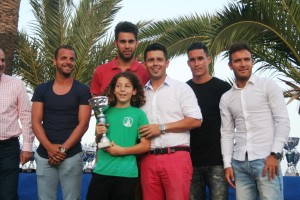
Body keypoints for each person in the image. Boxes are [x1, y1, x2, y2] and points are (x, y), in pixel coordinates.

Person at [220, 42, 290, 200]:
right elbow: (227, 132)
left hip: (266, 160)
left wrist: (275, 154)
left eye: (246, 59)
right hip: (239, 163)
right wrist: (227, 164)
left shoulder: (268, 86)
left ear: (253, 61)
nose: (243, 64)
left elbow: (283, 121)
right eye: (237, 61)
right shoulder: (227, 97)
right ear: (230, 65)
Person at [139, 43, 203, 200]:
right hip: (147, 158)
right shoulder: (139, 94)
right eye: (151, 60)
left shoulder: (181, 88)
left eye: (159, 59)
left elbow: (195, 120)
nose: (155, 63)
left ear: (167, 63)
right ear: (145, 63)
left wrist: (161, 128)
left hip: (175, 157)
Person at [31, 45, 91, 200]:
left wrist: (62, 150)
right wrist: (50, 148)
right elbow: (36, 122)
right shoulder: (41, 89)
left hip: (71, 156)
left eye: (72, 59)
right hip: (45, 156)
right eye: (63, 58)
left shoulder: (83, 90)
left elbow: (83, 124)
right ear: (55, 61)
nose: (68, 62)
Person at [87, 72, 150, 200]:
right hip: (102, 171)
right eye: (118, 86)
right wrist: (99, 135)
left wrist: (121, 151)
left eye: (127, 86)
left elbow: (145, 145)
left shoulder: (139, 115)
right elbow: (99, 141)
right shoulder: (103, 112)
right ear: (113, 90)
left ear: (134, 91)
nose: (122, 89)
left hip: (126, 174)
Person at [186, 42, 231, 200]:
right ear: (188, 63)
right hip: (190, 162)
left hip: (217, 161)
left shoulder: (223, 88)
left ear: (209, 59)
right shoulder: (183, 90)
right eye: (192, 59)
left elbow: (232, 123)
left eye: (200, 58)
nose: (196, 63)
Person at [0, 48, 35, 200]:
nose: (1, 64)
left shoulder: (16, 84)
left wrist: (27, 147)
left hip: (8, 148)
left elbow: (26, 116)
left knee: (8, 195)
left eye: (3, 60)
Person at [90, 21, 149, 96]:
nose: (127, 46)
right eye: (123, 42)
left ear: (136, 44)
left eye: (131, 42)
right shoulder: (100, 71)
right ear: (116, 43)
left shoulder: (145, 73)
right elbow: (96, 104)